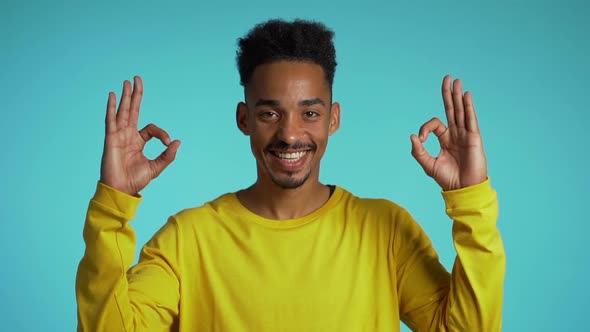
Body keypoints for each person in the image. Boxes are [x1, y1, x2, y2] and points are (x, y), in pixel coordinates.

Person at [76, 19, 505, 331]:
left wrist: (471, 201)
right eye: (269, 113)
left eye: (310, 113)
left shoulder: (386, 230)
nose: (290, 134)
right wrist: (113, 202)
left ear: (333, 119)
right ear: (244, 118)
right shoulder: (188, 239)